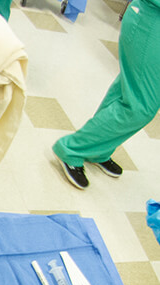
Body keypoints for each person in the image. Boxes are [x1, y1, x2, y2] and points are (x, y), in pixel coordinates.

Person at [54, 0, 157, 190]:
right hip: (150, 22)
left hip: (150, 23)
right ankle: (71, 148)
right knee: (140, 107)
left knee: (127, 91)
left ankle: (98, 149)